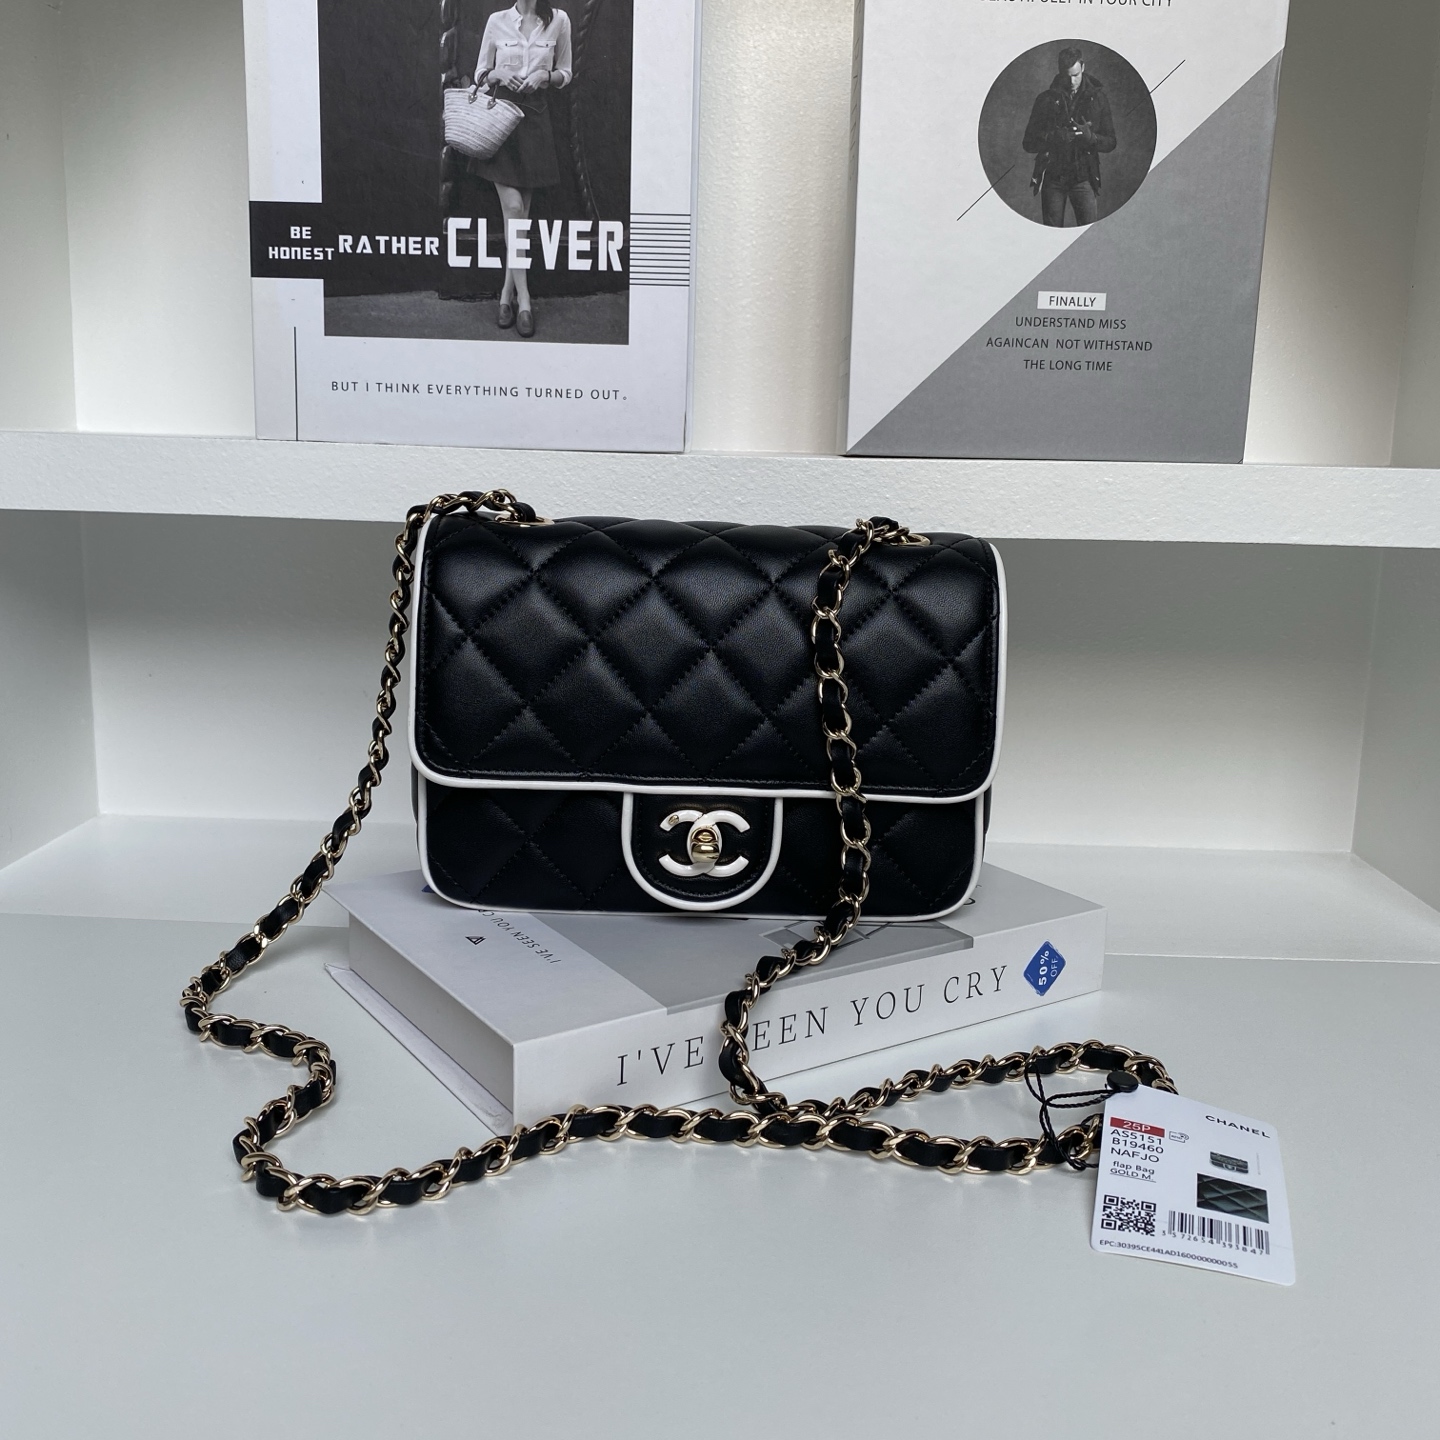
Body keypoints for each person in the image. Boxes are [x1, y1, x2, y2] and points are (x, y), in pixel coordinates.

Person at [469, 1, 573, 337]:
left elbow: (566, 73)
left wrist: (546, 75)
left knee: (519, 218)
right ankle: (524, 299)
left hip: (536, 122)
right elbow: (480, 74)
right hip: (501, 121)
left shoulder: (559, 20)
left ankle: (505, 295)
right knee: (514, 209)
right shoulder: (497, 20)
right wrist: (498, 74)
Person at [1022, 46, 1116, 228]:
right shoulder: (1045, 99)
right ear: (1059, 71)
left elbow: (1111, 142)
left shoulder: (1099, 98)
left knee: (1088, 232)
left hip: (1084, 178)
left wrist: (1092, 138)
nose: (1072, 81)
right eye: (1067, 76)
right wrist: (1054, 137)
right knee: (1051, 233)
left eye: (1076, 75)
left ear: (1083, 67)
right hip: (1053, 179)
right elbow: (1028, 143)